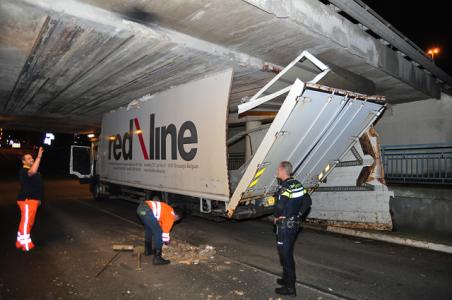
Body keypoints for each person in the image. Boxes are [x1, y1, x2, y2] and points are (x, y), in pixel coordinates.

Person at [273, 161, 306, 297]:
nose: (277, 172)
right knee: (287, 253)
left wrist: (276, 216)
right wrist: (298, 215)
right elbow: (307, 201)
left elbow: (280, 206)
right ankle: (286, 279)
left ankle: (290, 288)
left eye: (277, 169)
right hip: (294, 225)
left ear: (282, 170)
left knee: (285, 256)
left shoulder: (285, 187)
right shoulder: (297, 184)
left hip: (285, 226)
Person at [136, 196, 181, 265]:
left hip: (141, 209)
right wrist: (166, 241)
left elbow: (159, 224)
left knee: (149, 228)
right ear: (177, 217)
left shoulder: (168, 209)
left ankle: (148, 251)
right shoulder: (171, 216)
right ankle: (157, 258)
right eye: (176, 220)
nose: (175, 221)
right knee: (158, 232)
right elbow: (164, 234)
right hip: (147, 210)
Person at [16, 146, 44, 252]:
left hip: (33, 200)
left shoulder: (31, 170)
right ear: (24, 161)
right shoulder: (24, 170)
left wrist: (39, 199)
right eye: (28, 158)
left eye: (32, 158)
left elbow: (37, 186)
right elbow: (32, 172)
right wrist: (39, 157)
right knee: (27, 222)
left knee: (28, 222)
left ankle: (19, 241)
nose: (31, 159)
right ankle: (26, 244)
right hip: (27, 200)